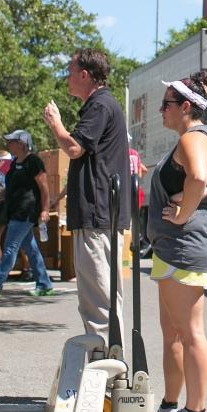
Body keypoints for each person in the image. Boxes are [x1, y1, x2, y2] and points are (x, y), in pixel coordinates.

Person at [146, 70, 207, 412]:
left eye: (167, 104)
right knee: (173, 333)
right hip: (171, 248)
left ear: (187, 107)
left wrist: (184, 211)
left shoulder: (194, 138)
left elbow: (198, 179)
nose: (162, 110)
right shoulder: (192, 138)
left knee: (190, 332)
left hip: (185, 248)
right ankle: (170, 405)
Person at [42, 48, 130, 347]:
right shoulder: (103, 105)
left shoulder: (100, 105)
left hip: (97, 214)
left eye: (70, 71)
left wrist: (55, 123)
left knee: (98, 296)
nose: (67, 77)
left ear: (85, 74)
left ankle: (104, 364)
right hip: (101, 213)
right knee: (103, 293)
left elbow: (75, 148)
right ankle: (109, 361)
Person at [0, 130, 53, 297]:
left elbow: (44, 187)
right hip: (14, 210)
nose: (8, 144)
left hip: (26, 211)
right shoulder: (14, 163)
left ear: (22, 143)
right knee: (31, 249)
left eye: (11, 141)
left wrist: (45, 209)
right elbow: (10, 187)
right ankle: (45, 283)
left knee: (10, 247)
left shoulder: (34, 162)